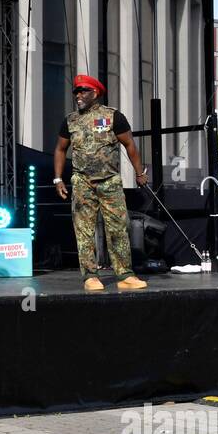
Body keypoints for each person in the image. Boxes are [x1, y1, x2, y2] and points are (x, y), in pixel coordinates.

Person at [53, 75, 149, 292]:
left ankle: (125, 274)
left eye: (83, 91)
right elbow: (60, 149)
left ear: (95, 93)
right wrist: (58, 178)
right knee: (84, 230)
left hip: (110, 181)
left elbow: (130, 145)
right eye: (76, 92)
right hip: (82, 181)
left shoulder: (113, 116)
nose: (78, 95)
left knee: (118, 228)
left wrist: (139, 172)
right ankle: (90, 276)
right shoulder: (70, 120)